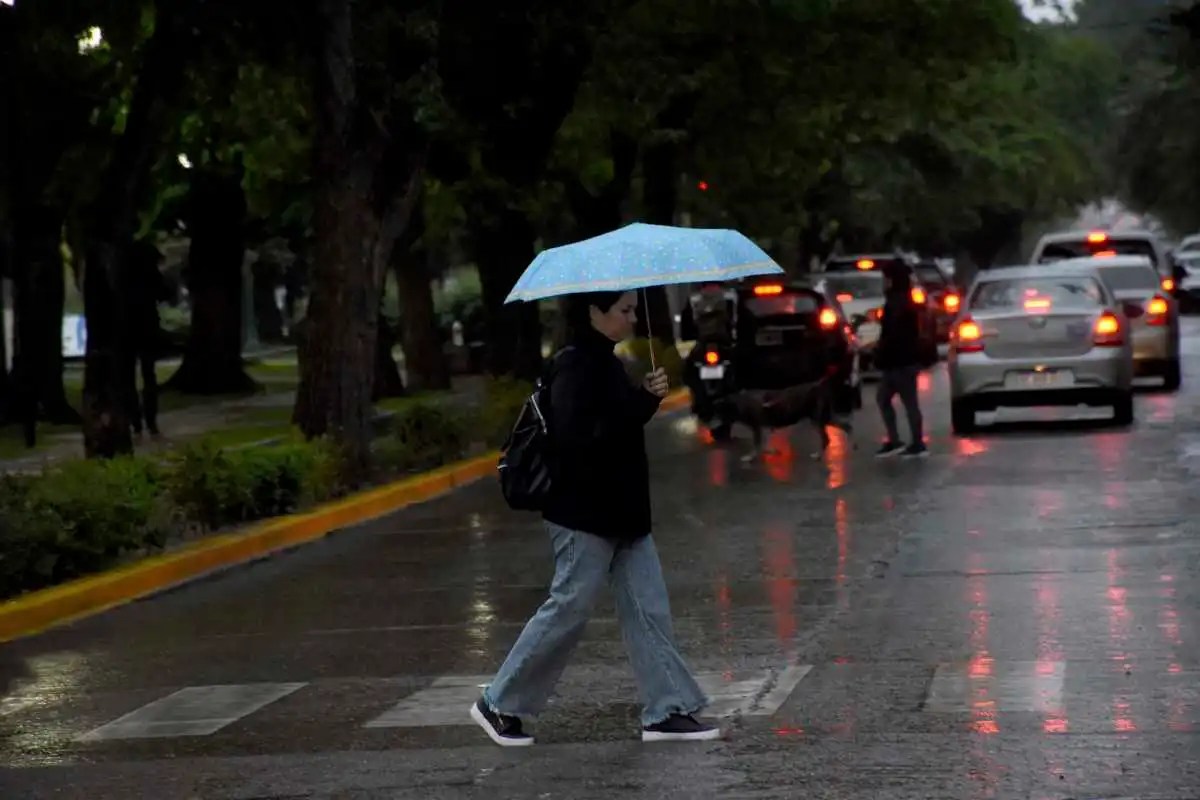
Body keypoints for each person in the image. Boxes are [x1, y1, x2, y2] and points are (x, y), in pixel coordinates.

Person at [471, 290, 719, 747]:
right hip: (584, 514)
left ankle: (666, 710)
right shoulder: (576, 364)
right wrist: (635, 403)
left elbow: (617, 426)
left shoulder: (604, 360)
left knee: (649, 610)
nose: (631, 317)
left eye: (631, 310)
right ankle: (500, 702)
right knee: (568, 608)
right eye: (623, 310)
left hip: (622, 514)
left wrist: (643, 400)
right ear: (593, 312)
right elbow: (578, 438)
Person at [874, 264, 927, 458]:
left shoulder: (898, 303)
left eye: (886, 278)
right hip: (899, 362)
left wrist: (880, 350)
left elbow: (893, 334)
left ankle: (917, 443)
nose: (883, 283)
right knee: (885, 398)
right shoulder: (902, 301)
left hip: (901, 362)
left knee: (908, 402)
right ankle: (897, 440)